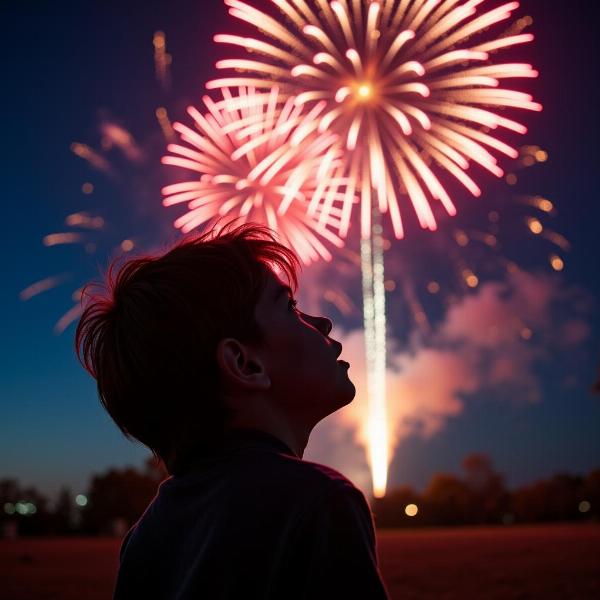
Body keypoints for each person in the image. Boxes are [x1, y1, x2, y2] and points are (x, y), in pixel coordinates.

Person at [76, 222, 389, 599]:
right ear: (245, 364)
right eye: (290, 307)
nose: (322, 322)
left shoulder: (146, 536)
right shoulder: (319, 502)